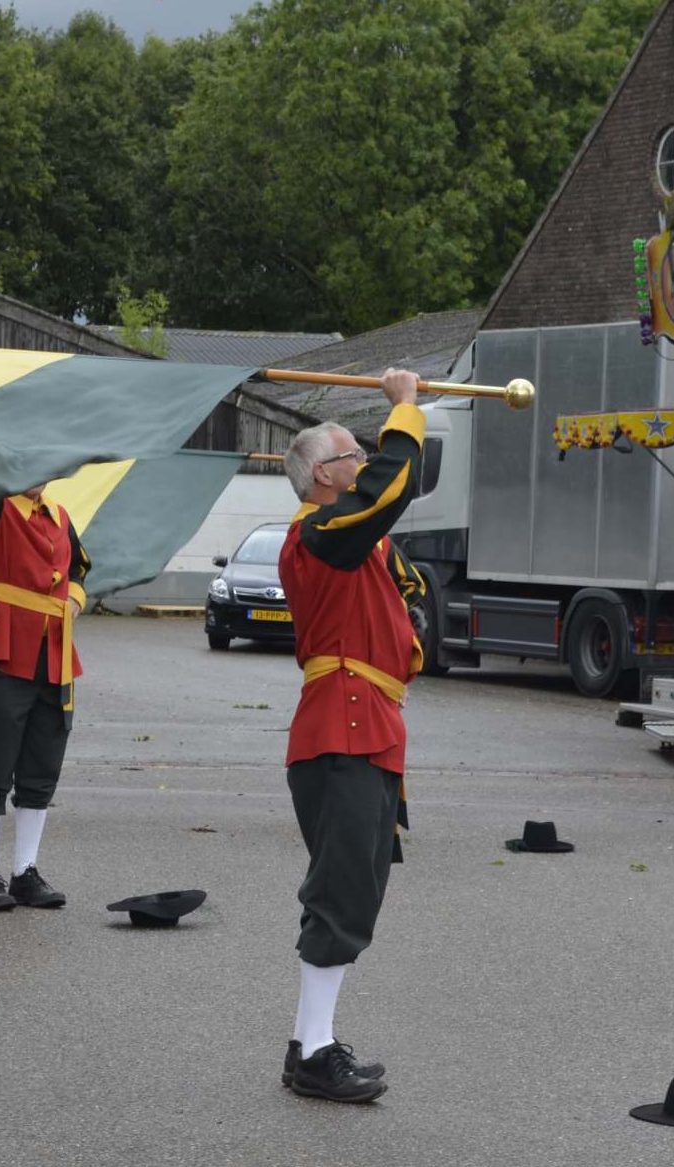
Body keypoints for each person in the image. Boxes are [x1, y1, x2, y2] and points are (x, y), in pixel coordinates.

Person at [276, 369, 427, 1103]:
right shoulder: (317, 533)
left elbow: (397, 500)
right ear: (320, 478)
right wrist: (404, 409)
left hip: (368, 724)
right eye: (351, 455)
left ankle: (311, 1040)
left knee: (353, 892)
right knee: (340, 895)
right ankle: (314, 1052)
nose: (364, 462)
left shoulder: (359, 542)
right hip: (344, 724)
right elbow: (393, 485)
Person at [0, 483, 90, 911]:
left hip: (55, 651)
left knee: (43, 763)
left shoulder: (60, 515)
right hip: (5, 650)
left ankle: (25, 872)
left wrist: (73, 600)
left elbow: (80, 569)